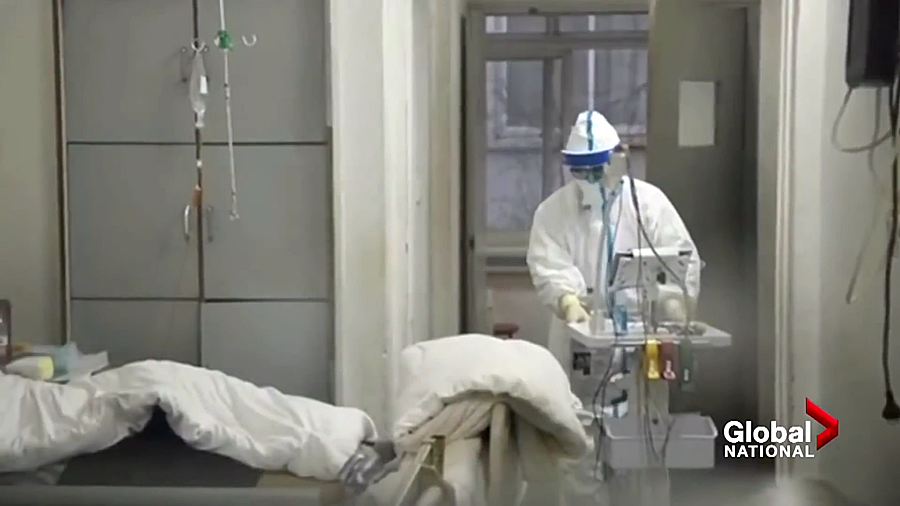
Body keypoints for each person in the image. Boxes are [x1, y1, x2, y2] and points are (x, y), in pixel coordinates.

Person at [526, 110, 702, 369]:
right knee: (577, 394)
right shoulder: (553, 211)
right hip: (581, 334)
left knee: (645, 391)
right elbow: (549, 266)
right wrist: (568, 301)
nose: (589, 180)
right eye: (580, 172)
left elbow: (681, 257)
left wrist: (673, 303)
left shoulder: (649, 204)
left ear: (617, 163)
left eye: (596, 170)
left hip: (643, 333)